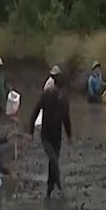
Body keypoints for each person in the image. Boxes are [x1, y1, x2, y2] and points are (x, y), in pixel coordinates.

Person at [30, 68, 73, 198]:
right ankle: (58, 183)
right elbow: (36, 111)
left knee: (52, 161)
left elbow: (66, 118)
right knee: (54, 160)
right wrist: (31, 131)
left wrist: (69, 135)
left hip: (56, 135)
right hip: (47, 135)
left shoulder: (61, 98)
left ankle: (49, 190)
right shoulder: (48, 95)